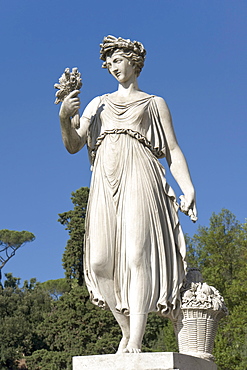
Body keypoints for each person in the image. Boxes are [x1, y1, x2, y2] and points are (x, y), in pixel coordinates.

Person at [59, 35, 197, 354]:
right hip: (105, 179)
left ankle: (136, 338)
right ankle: (125, 329)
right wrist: (64, 117)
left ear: (134, 62)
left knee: (137, 255)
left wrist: (187, 188)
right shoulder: (98, 103)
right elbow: (73, 145)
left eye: (118, 59)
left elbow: (172, 150)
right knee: (99, 262)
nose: (112, 66)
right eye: (108, 63)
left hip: (141, 174)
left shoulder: (154, 103)